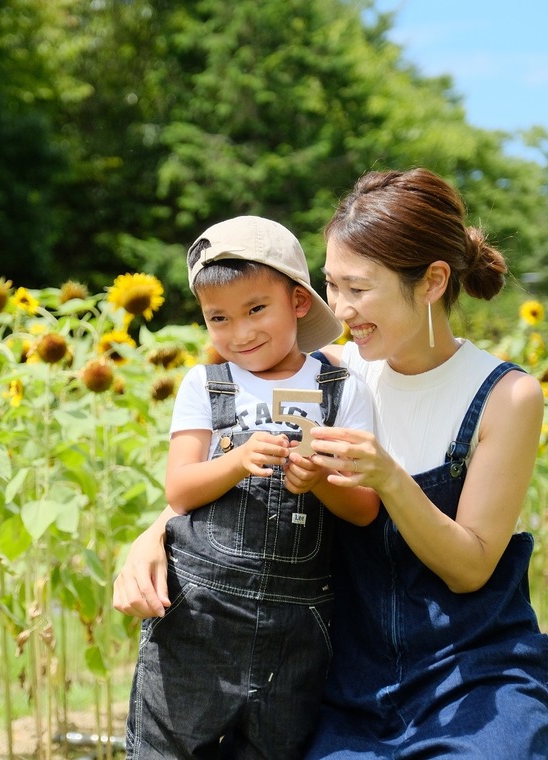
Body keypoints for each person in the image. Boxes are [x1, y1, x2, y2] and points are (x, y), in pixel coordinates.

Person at [115, 170, 548, 759]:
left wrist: (388, 479)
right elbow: (237, 462)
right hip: (346, 673)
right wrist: (152, 536)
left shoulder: (507, 395)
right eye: (331, 285)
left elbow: (471, 569)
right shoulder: (328, 375)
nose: (339, 309)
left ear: (431, 281)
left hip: (472, 669)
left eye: (358, 288)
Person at [125, 216, 380, 759]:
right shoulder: (204, 384)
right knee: (165, 748)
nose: (240, 333)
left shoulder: (342, 389)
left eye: (256, 309)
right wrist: (238, 461)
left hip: (298, 626)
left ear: (298, 302)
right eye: (219, 317)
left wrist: (319, 482)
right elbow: (181, 490)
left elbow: (363, 509)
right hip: (197, 613)